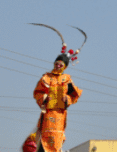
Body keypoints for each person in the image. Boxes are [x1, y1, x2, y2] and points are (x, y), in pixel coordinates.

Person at [30, 24, 84, 152]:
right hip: (48, 112)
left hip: (60, 114)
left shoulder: (67, 79)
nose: (59, 66)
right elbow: (37, 92)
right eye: (57, 63)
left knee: (57, 139)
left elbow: (75, 94)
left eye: (61, 64)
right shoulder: (46, 77)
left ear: (64, 66)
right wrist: (45, 97)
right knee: (44, 139)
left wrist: (67, 99)